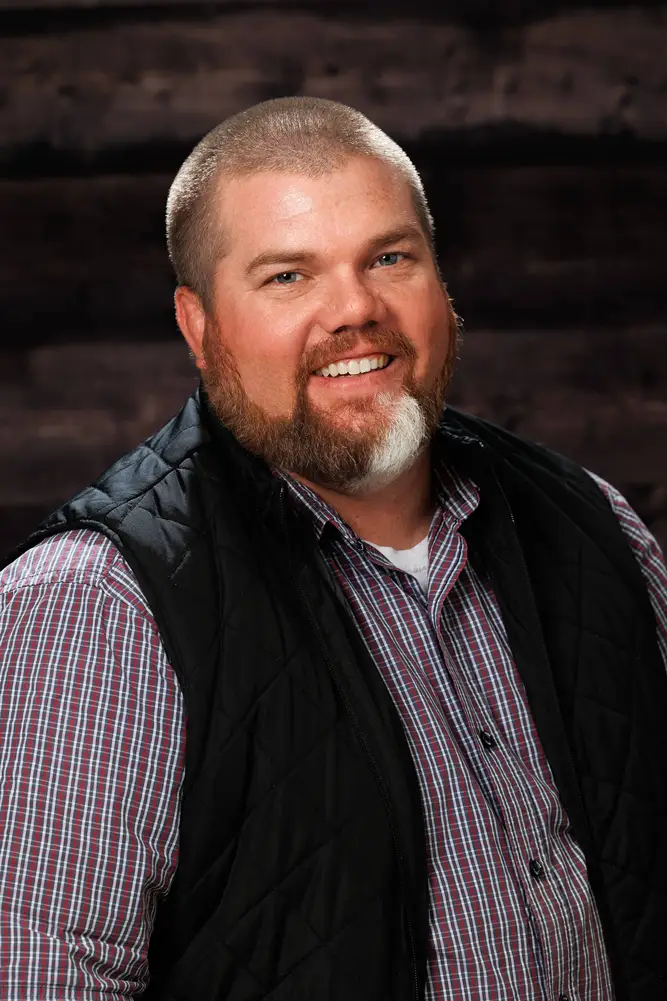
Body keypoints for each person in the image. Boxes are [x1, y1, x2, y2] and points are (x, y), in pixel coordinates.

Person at [1, 96, 666, 1001]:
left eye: (389, 257)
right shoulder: (95, 602)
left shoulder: (592, 522)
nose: (354, 308)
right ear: (199, 328)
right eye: (287, 277)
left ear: (440, 281)